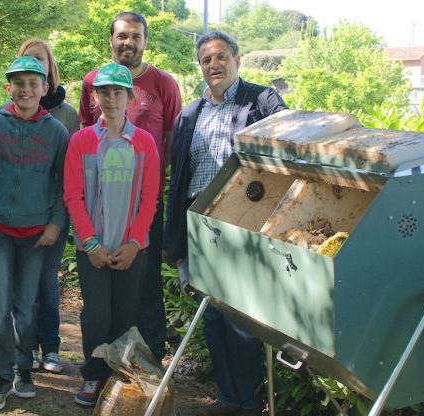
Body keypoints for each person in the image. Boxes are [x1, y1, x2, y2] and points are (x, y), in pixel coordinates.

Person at [163, 31, 287, 416]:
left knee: (242, 317)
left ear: (237, 60)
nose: (213, 65)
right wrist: (175, 240)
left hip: (244, 222)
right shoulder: (190, 113)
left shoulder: (262, 100)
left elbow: (288, 143)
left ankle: (248, 402)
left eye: (220, 57)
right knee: (212, 314)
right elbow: (179, 176)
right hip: (201, 223)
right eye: (206, 60)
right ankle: (227, 397)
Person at [79, 11, 181, 362]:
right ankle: (102, 364)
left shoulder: (163, 84)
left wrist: (149, 187)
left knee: (146, 280)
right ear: (111, 39)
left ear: (144, 41)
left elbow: (170, 140)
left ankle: (148, 359)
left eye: (136, 36)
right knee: (102, 289)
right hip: (100, 201)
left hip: (144, 200)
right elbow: (84, 135)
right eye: (122, 36)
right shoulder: (91, 80)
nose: (129, 42)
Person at [0, 56, 68, 412]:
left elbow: (64, 182)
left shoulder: (56, 132)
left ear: (45, 88)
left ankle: (23, 370)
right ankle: (0, 376)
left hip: (36, 235)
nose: (26, 89)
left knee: (27, 308)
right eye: (19, 83)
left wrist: (55, 223)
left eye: (34, 83)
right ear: (8, 87)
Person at [65, 63, 159, 407]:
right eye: (103, 92)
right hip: (92, 249)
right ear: (95, 96)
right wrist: (90, 243)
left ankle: (119, 377)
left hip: (132, 248)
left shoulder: (145, 142)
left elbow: (150, 197)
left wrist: (134, 243)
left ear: (129, 97)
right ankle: (93, 375)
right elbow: (73, 196)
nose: (111, 98)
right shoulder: (82, 140)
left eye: (118, 92)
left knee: (124, 315)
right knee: (97, 315)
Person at [16, 38, 79, 374]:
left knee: (46, 281)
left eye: (40, 60)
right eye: (28, 59)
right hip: (19, 213)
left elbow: (70, 171)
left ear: (50, 68)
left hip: (55, 211)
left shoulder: (68, 115)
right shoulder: (10, 110)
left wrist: (60, 215)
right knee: (23, 283)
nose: (35, 65)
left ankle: (51, 348)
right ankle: (22, 349)